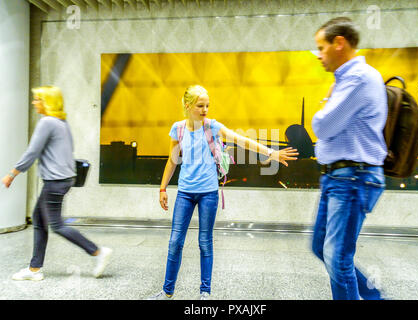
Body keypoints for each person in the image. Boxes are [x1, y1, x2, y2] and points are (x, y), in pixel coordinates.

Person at [148, 85, 298, 300]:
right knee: (175, 242)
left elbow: (241, 140)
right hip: (184, 193)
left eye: (207, 105)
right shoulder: (178, 129)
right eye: (200, 105)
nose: (205, 109)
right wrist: (163, 188)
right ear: (188, 106)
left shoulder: (213, 127)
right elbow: (172, 160)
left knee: (204, 241)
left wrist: (271, 153)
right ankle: (167, 291)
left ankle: (205, 292)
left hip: (209, 193)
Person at [310, 17, 388, 300]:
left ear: (339, 43)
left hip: (352, 178)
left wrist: (326, 102)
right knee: (322, 247)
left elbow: (323, 126)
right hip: (338, 177)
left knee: (336, 256)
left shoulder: (358, 78)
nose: (319, 55)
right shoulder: (348, 79)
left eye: (321, 47)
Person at [1, 86, 112, 281]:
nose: (34, 103)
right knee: (39, 219)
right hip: (62, 179)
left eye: (37, 99)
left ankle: (98, 252)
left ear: (47, 102)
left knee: (57, 225)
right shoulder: (61, 122)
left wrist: (12, 173)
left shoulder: (47, 123)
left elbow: (32, 152)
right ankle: (34, 269)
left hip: (55, 181)